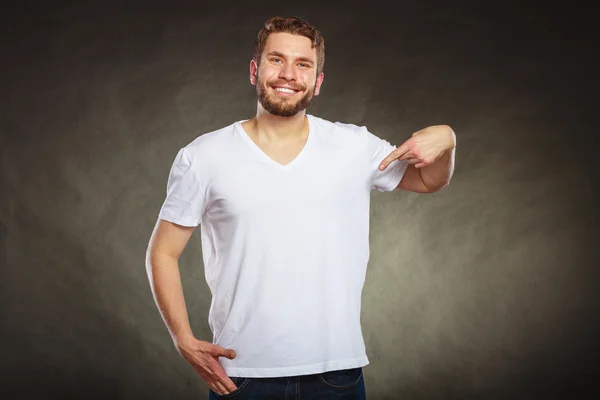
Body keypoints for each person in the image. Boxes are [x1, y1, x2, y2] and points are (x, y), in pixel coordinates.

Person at [145, 16, 456, 400]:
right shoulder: (203, 156)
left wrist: (448, 139)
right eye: (276, 60)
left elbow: (429, 180)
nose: (288, 74)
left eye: (303, 64)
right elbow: (163, 252)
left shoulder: (355, 147)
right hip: (241, 376)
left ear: (318, 81)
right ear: (255, 70)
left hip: (335, 374)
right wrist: (182, 339)